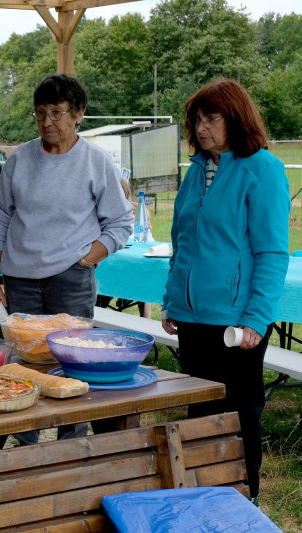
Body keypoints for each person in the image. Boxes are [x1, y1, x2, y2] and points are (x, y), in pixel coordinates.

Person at [0, 73, 133, 444]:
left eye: (56, 112)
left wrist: (86, 260)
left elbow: (120, 222)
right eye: (40, 113)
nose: (47, 122)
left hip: (71, 277)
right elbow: (1, 221)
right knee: (25, 364)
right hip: (20, 278)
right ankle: (27, 444)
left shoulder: (96, 161)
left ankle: (72, 446)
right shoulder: (19, 158)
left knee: (74, 362)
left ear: (78, 114)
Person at [161, 78, 290, 502]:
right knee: (201, 412)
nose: (201, 128)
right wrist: (171, 300)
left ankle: (243, 500)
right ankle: (201, 497)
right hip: (191, 318)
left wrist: (255, 318)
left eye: (211, 118)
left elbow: (272, 253)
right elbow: (181, 243)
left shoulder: (263, 170)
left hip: (237, 324)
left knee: (239, 416)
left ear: (235, 118)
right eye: (196, 120)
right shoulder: (196, 171)